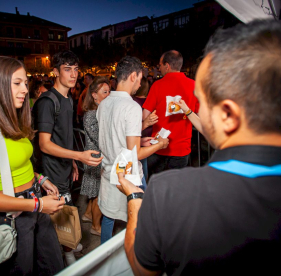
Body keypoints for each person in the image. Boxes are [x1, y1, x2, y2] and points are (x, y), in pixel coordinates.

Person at [117, 19, 281, 275]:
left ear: (227, 114)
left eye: (203, 102)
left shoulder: (168, 193)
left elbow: (142, 267)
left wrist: (135, 199)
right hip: (181, 150)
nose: (199, 110)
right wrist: (189, 112)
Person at [0, 56, 65, 275]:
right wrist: (38, 205)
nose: (24, 90)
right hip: (11, 214)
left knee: (52, 265)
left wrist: (40, 179)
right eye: (17, 83)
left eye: (26, 84)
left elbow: (16, 165)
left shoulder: (13, 122)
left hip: (34, 202)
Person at [32, 50, 103, 265]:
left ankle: (68, 244)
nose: (73, 74)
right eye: (67, 69)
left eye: (75, 69)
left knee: (66, 208)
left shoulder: (68, 98)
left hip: (64, 164)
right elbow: (44, 144)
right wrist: (79, 155)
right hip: (50, 169)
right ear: (54, 72)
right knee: (58, 211)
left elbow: (64, 134)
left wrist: (71, 160)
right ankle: (67, 252)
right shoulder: (47, 101)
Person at [97, 56, 169, 244]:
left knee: (108, 217)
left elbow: (115, 135)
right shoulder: (131, 107)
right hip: (127, 175)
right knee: (139, 217)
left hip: (108, 171)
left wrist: (141, 139)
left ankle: (104, 262)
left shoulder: (104, 104)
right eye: (139, 78)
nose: (139, 83)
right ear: (133, 76)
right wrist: (159, 145)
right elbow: (133, 153)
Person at [143, 50, 199, 177]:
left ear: (167, 66)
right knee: (175, 188)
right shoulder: (193, 85)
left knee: (157, 186)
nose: (160, 68)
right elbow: (199, 116)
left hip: (158, 146)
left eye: (160, 65)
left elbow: (145, 115)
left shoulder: (157, 85)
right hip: (182, 148)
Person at [80, 76, 111, 237]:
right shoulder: (92, 114)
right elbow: (99, 138)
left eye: (109, 91)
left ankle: (88, 214)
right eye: (104, 92)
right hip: (94, 158)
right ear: (94, 95)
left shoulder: (100, 111)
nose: (108, 95)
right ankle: (96, 226)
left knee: (94, 191)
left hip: (96, 156)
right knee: (100, 193)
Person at [132, 76, 158, 182]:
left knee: (140, 164)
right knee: (143, 164)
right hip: (148, 135)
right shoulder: (150, 101)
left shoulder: (133, 102)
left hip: (138, 136)